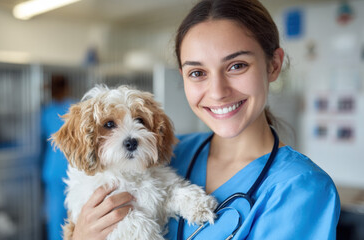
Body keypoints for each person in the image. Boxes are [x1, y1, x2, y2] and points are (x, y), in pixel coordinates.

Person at [71, 0, 341, 239]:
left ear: (273, 65)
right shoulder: (171, 153)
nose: (218, 92)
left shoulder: (300, 188)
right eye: (198, 72)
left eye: (237, 66)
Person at [41, 74, 74, 240]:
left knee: (55, 217)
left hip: (53, 171)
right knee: (74, 215)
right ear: (67, 88)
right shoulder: (74, 109)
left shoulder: (46, 112)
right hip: (72, 169)